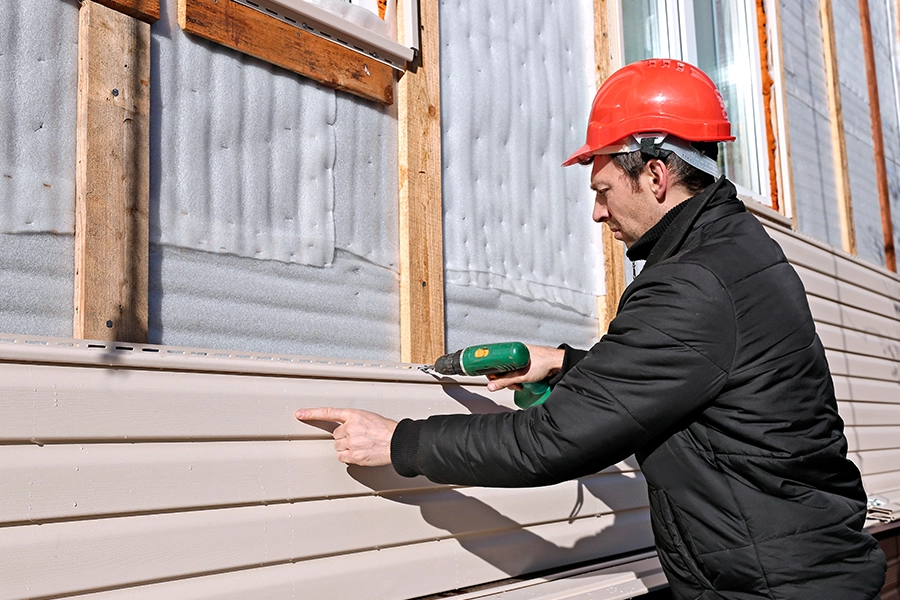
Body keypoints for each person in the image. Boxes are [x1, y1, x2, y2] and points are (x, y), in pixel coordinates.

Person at [296, 59, 887, 599]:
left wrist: (401, 441)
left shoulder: (693, 282)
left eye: (603, 190)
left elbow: (549, 442)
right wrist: (561, 362)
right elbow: (692, 375)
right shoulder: (734, 251)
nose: (598, 212)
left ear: (655, 175)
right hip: (801, 568)